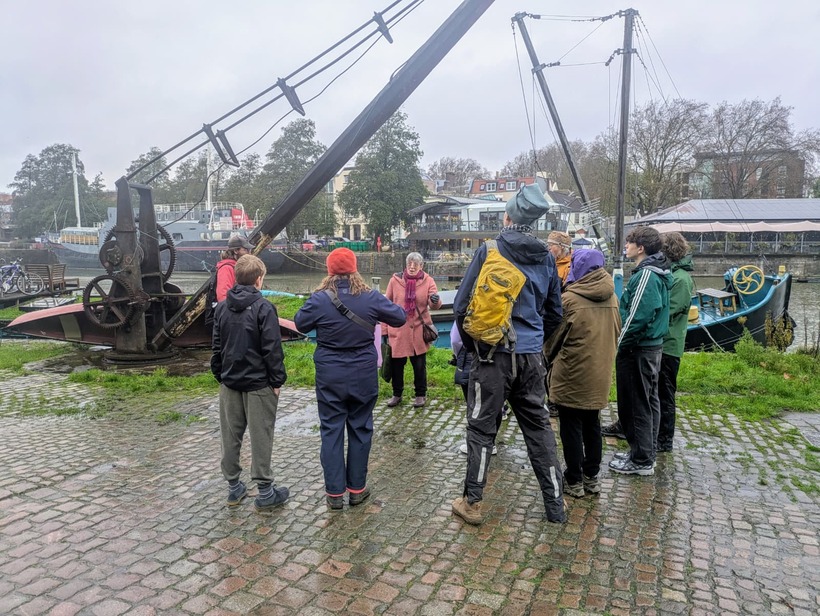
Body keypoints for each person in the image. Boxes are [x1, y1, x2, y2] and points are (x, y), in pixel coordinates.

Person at [451, 183, 565, 525]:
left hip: (491, 358)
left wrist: (476, 349)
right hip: (531, 359)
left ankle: (472, 502)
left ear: (507, 216)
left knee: (482, 429)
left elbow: (460, 308)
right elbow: (555, 314)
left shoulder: (489, 250)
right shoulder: (547, 256)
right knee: (539, 430)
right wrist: (534, 344)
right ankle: (556, 505)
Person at [294, 248, 406, 510]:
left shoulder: (320, 299)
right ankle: (357, 489)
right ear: (355, 269)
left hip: (330, 373)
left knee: (331, 430)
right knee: (361, 428)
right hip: (362, 374)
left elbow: (300, 323)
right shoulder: (369, 297)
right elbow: (399, 317)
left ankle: (334, 494)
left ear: (329, 270)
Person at [210, 254, 289, 511]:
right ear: (259, 279)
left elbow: (217, 347)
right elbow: (272, 349)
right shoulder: (264, 308)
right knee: (260, 436)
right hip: (258, 384)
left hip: (230, 382)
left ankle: (234, 488)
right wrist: (277, 380)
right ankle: (265, 492)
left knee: (230, 437)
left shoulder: (221, 308)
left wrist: (220, 375)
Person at [544, 250, 621, 497]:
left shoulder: (570, 300)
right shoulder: (612, 297)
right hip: (599, 371)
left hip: (571, 372)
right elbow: (617, 330)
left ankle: (574, 479)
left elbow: (553, 339)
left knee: (570, 427)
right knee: (593, 425)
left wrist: (545, 361)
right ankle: (592, 477)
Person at [608, 226, 671, 477]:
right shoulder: (658, 272)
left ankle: (642, 459)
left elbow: (638, 315)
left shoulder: (646, 275)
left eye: (629, 242)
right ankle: (644, 452)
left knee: (636, 404)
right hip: (650, 347)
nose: (626, 247)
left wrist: (620, 344)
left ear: (640, 248)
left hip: (638, 348)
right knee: (648, 401)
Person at [384, 252, 442, 408]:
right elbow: (385, 306)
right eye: (409, 263)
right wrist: (384, 331)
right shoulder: (395, 281)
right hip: (398, 330)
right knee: (397, 366)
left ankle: (420, 395)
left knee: (419, 366)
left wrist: (435, 300)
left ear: (421, 266)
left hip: (418, 331)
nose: (412, 266)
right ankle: (397, 394)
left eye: (415, 264)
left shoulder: (428, 280)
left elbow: (434, 303)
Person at [657, 232, 695, 452]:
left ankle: (665, 439)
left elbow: (668, 310)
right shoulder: (674, 274)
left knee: (665, 393)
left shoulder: (680, 279)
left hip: (669, 344)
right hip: (664, 341)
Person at [215, 235, 254, 302]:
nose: (249, 253)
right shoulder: (226, 268)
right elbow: (222, 296)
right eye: (245, 250)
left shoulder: (237, 266)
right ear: (236, 251)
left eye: (249, 250)